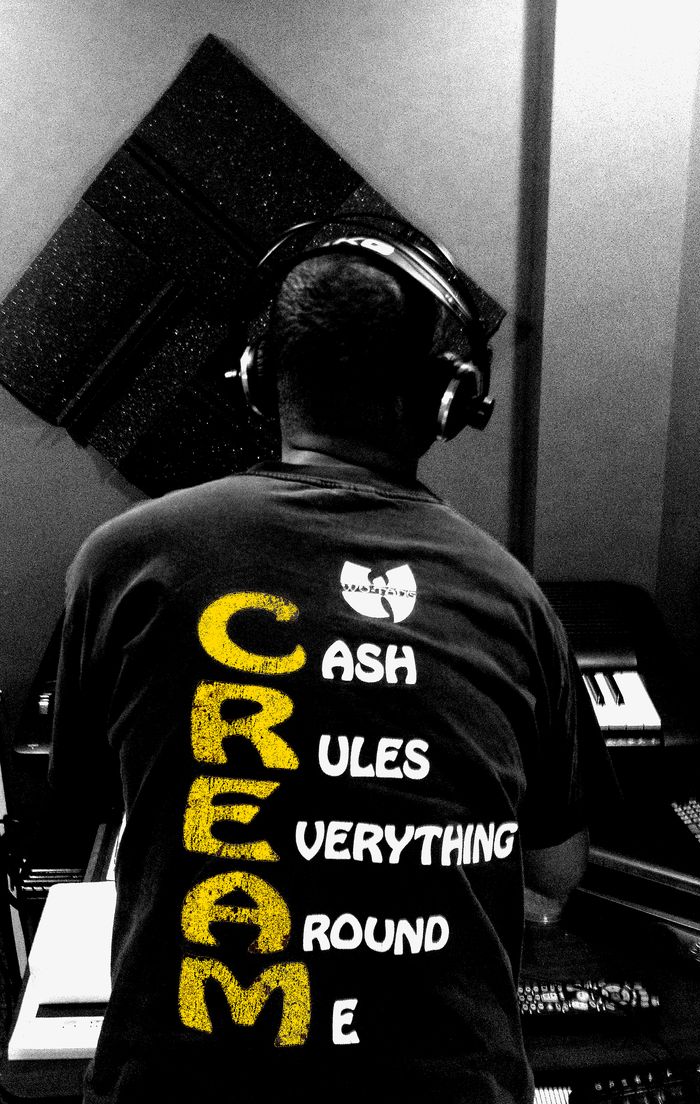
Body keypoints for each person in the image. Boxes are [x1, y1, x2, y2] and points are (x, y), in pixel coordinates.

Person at [50, 225, 597, 1103]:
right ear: (451, 399)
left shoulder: (125, 560)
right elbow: (556, 871)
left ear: (257, 379)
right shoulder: (514, 599)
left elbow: (86, 807)